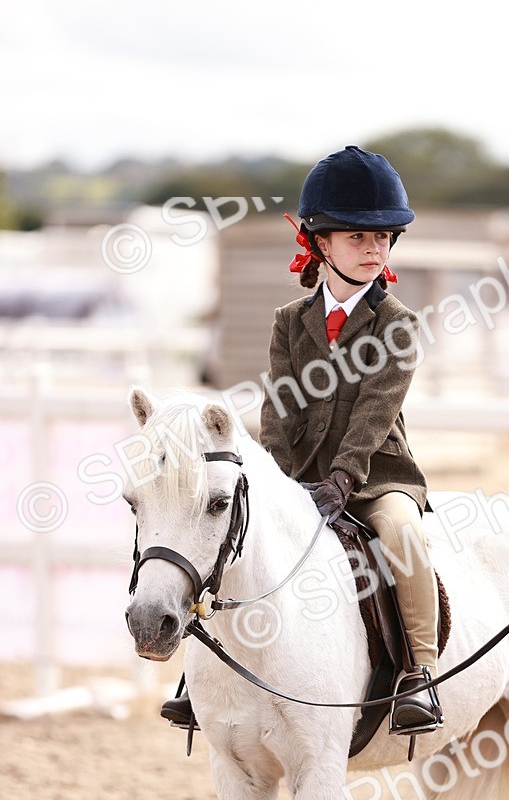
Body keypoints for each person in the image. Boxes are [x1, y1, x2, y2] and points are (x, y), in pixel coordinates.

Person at [162, 145, 443, 735]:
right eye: (357, 238)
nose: (374, 249)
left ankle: (420, 672)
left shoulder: (399, 323)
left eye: (383, 238)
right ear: (320, 244)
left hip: (375, 474)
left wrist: (343, 478)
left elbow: (375, 410)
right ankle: (202, 673)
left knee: (402, 532)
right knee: (231, 532)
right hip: (299, 478)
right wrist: (278, 480)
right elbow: (279, 408)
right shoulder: (290, 321)